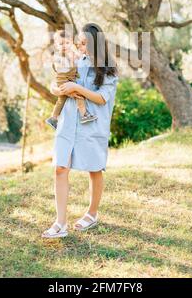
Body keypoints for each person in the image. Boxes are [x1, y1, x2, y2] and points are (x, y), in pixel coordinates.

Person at [42, 23, 118, 239]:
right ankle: (60, 223)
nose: (80, 46)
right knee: (60, 168)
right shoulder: (75, 60)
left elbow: (102, 98)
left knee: (94, 169)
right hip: (68, 122)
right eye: (79, 42)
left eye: (84, 43)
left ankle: (92, 214)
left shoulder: (108, 68)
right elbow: (59, 81)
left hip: (92, 125)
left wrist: (76, 89)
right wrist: (56, 89)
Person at [45, 29, 97, 130]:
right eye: (61, 44)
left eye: (67, 43)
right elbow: (62, 69)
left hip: (67, 80)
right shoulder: (59, 56)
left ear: (72, 43)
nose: (64, 46)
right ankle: (84, 115)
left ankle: (53, 118)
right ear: (56, 45)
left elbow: (79, 58)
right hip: (64, 80)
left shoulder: (74, 55)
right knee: (79, 96)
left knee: (62, 99)